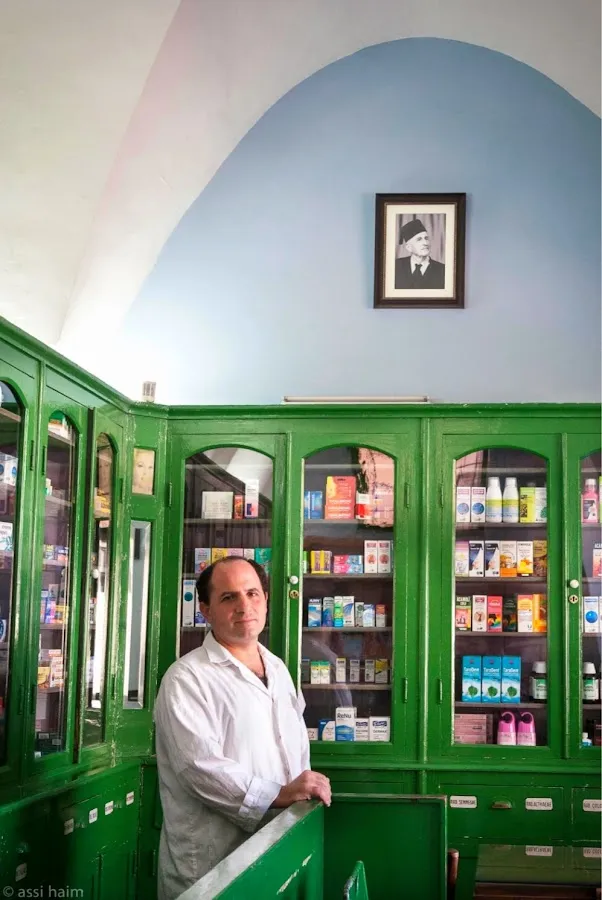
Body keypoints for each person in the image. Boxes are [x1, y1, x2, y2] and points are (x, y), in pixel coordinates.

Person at [154, 557, 331, 900]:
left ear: (265, 599)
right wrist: (279, 794)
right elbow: (198, 768)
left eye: (252, 593)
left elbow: (295, 746)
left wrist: (300, 792)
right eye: (228, 597)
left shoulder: (277, 669)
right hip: (213, 865)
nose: (244, 606)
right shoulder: (187, 678)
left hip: (279, 847)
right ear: (205, 610)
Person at [394, 218, 445, 289]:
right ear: (409, 247)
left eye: (426, 238)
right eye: (419, 239)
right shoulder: (396, 266)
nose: (425, 243)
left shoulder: (442, 270)